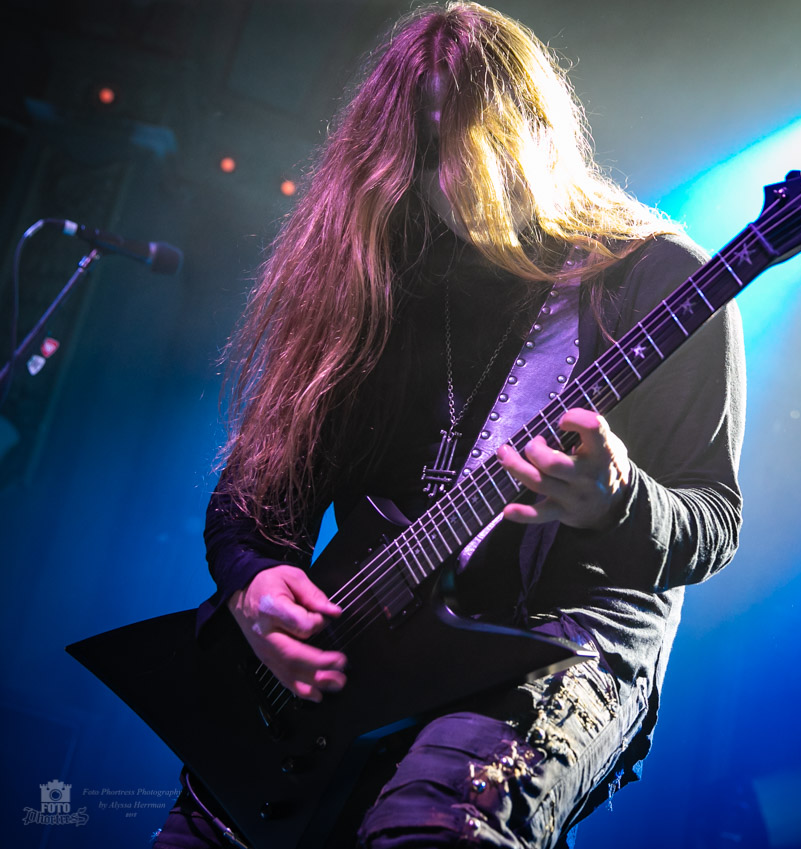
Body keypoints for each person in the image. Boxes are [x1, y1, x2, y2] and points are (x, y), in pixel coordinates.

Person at [154, 3, 745, 847]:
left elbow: (714, 521)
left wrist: (616, 499)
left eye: (469, 145)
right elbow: (260, 492)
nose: (450, 181)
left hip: (564, 640)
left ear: (533, 131)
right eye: (425, 154)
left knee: (431, 828)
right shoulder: (377, 278)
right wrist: (254, 585)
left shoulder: (656, 280)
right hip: (372, 636)